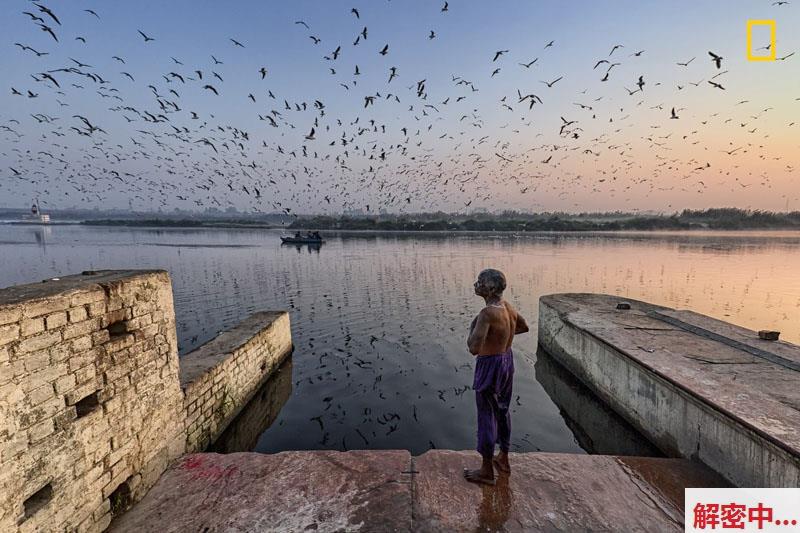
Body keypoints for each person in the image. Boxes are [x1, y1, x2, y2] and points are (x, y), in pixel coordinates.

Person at [463, 268, 529, 485]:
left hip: (490, 365)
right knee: (502, 410)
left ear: (490, 288)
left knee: (486, 414)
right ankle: (504, 458)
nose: (476, 284)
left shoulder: (487, 314)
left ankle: (486, 470)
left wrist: (474, 327)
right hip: (506, 361)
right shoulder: (507, 307)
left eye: (479, 282)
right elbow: (523, 327)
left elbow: (473, 347)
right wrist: (500, 337)